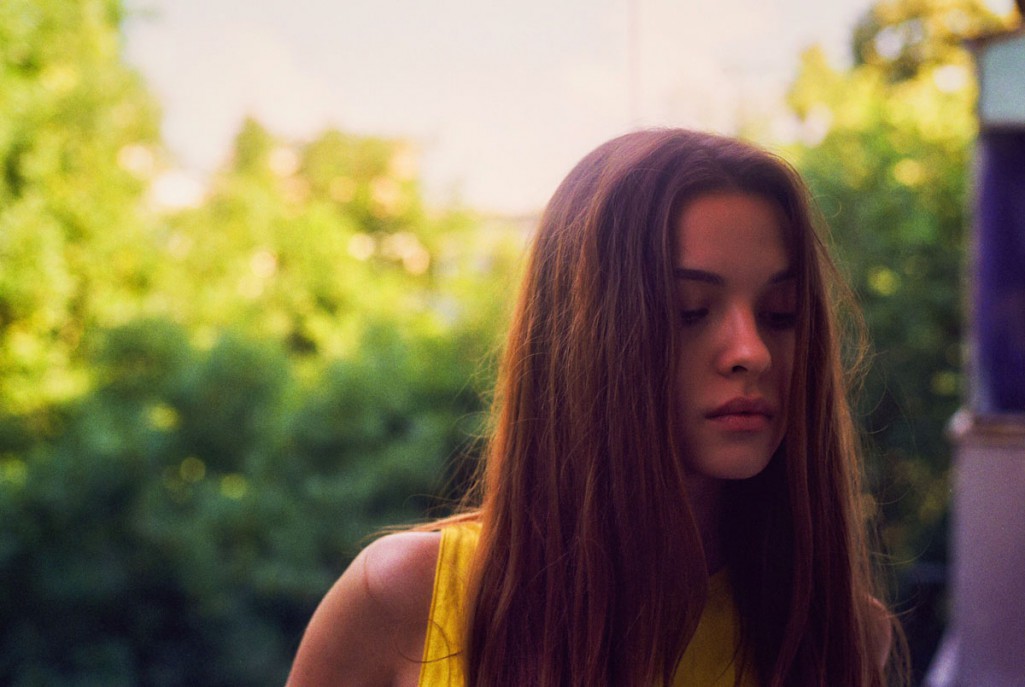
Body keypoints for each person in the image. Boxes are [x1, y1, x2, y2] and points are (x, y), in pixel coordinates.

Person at [286, 129, 902, 686]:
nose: (752, 351)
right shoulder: (406, 602)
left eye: (780, 314)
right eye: (690, 311)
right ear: (586, 341)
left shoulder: (841, 640)